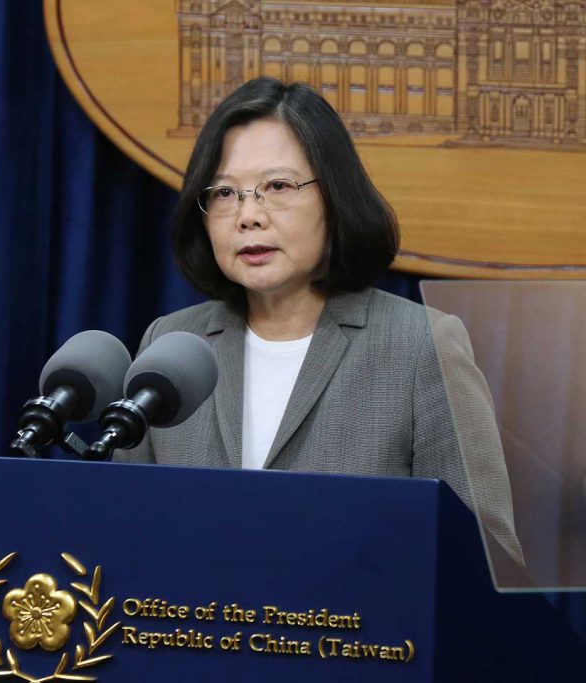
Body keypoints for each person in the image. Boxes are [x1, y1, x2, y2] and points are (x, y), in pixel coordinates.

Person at [116, 77, 522, 563]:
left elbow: (487, 560)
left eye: (277, 186)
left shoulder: (421, 344)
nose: (248, 215)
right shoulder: (173, 345)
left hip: (356, 636)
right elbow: (124, 533)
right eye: (225, 193)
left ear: (334, 196)